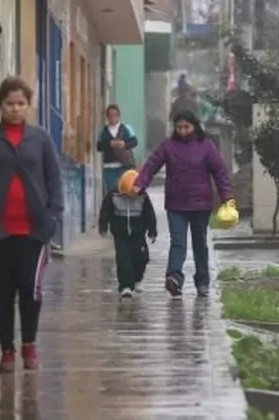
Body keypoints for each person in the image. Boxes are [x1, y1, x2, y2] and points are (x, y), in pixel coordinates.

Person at [0, 76, 64, 373]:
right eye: (10, 104)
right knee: (4, 291)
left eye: (21, 104)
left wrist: (52, 214)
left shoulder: (40, 139)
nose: (15, 109)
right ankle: (7, 350)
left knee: (30, 290)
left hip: (35, 230)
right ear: (0, 105)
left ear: (28, 105)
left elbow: (53, 178)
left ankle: (29, 346)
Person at [131, 110, 233, 298]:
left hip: (201, 205)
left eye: (186, 127)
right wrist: (139, 184)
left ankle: (202, 282)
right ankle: (174, 278)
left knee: (200, 243)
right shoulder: (168, 146)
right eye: (179, 127)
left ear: (194, 126)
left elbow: (220, 172)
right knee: (178, 242)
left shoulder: (206, 146)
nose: (183, 131)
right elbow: (152, 165)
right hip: (176, 205)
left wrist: (227, 197)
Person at [98, 186, 158, 298]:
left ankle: (137, 280)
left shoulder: (142, 195)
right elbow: (105, 210)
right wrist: (103, 226)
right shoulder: (113, 195)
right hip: (120, 234)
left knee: (142, 257)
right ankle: (125, 286)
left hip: (138, 234)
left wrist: (152, 231)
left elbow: (149, 214)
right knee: (123, 259)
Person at [96, 104, 139, 194]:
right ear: (107, 117)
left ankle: (125, 208)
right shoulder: (103, 131)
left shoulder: (126, 128)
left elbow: (134, 142)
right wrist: (110, 144)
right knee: (112, 192)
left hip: (124, 166)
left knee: (125, 190)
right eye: (110, 116)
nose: (112, 118)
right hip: (109, 167)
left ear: (118, 116)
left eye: (115, 115)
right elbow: (99, 146)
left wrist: (124, 144)